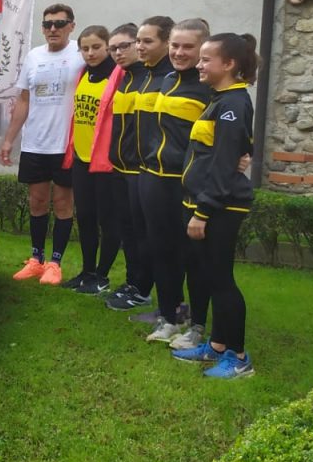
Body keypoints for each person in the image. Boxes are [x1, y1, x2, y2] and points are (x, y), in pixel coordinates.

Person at [172, 33, 258, 378]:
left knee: (221, 280)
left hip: (221, 207)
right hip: (205, 202)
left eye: (207, 59)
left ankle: (238, 357)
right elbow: (214, 156)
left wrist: (202, 211)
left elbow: (223, 166)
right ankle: (218, 345)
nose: (199, 64)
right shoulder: (219, 100)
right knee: (210, 275)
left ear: (230, 64)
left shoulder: (234, 104)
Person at [136, 19, 213, 347]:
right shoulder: (165, 79)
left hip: (187, 186)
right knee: (161, 251)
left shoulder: (209, 87)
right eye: (175, 46)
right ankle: (169, 316)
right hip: (154, 179)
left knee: (192, 257)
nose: (180, 52)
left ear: (202, 49)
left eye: (188, 47)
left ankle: (196, 326)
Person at [0, 3, 84, 284]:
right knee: (36, 202)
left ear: (71, 25)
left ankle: (55, 263)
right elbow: (24, 99)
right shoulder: (34, 56)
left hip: (65, 145)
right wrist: (9, 138)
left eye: (59, 23)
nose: (53, 29)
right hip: (35, 143)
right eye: (47, 24)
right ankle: (36, 259)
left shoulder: (81, 55)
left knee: (62, 204)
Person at [60, 25, 123, 294]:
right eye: (85, 48)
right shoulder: (84, 73)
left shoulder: (118, 75)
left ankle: (102, 275)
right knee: (85, 216)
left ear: (107, 46)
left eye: (96, 47)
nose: (90, 53)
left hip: (106, 161)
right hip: (82, 158)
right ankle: (87, 271)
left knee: (108, 220)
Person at [103, 23, 153, 309]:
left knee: (142, 234)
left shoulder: (151, 77)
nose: (118, 52)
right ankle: (133, 281)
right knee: (128, 232)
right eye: (114, 48)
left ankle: (143, 287)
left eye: (125, 46)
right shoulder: (125, 78)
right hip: (120, 168)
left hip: (141, 169)